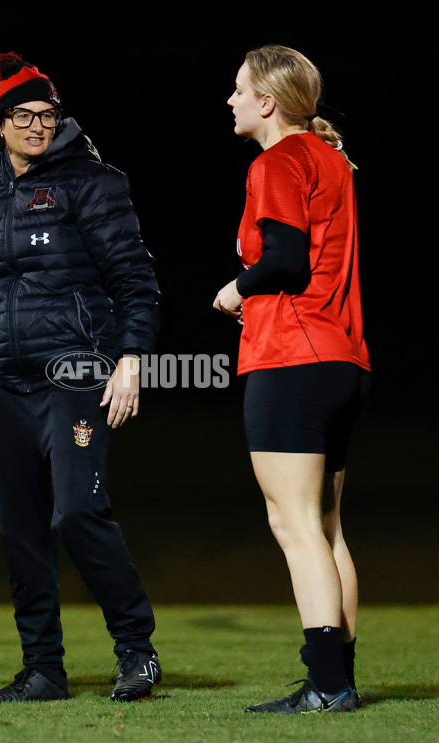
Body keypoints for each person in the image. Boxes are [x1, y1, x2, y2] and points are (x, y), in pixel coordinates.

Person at [0, 52, 162, 703]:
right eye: (24, 115)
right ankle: (43, 669)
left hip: (73, 373)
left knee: (76, 512)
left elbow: (136, 279)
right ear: (0, 124)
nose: (38, 126)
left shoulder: (93, 184)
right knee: (21, 527)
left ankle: (137, 650)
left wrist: (131, 358)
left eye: (48, 115)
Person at [213, 44, 371, 714]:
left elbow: (284, 259)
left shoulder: (276, 160)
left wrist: (235, 288)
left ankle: (327, 683)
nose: (231, 100)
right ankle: (339, 677)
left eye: (240, 90)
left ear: (268, 102)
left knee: (294, 522)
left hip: (292, 358)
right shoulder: (331, 159)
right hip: (343, 359)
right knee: (328, 526)